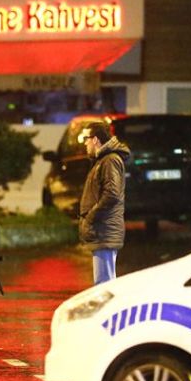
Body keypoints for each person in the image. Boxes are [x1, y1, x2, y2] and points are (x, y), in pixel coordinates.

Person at [78, 122, 130, 284]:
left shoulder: (109, 160)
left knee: (104, 285)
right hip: (103, 229)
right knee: (105, 283)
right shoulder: (104, 160)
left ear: (95, 140)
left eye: (86, 139)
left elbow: (112, 194)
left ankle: (110, 311)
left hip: (104, 229)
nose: (85, 144)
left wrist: (92, 215)